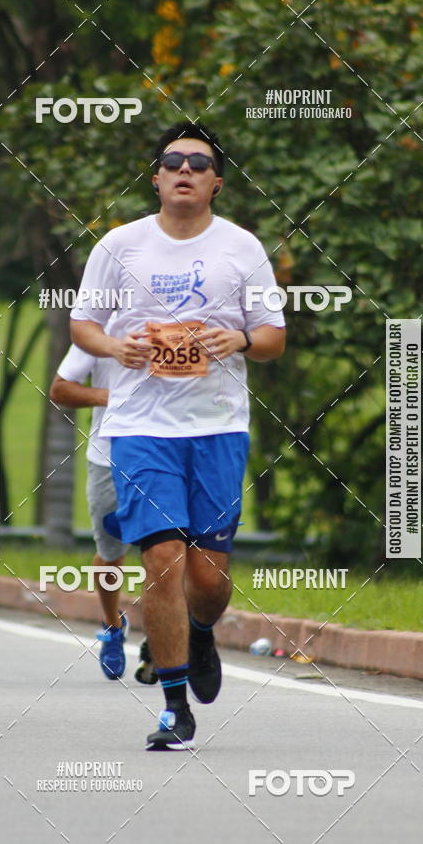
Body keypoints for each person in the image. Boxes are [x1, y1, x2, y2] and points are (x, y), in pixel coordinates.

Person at [70, 121, 285, 750]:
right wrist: (116, 346)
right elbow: (84, 326)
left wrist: (238, 338)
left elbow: (272, 337)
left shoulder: (242, 249)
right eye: (173, 161)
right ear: (157, 177)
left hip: (217, 427)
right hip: (139, 428)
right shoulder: (119, 246)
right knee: (161, 561)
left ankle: (200, 631)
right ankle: (173, 707)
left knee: (209, 580)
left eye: (199, 162)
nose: (185, 170)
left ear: (216, 182)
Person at [50, 344, 158, 685]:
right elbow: (60, 389)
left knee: (164, 550)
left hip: (163, 454)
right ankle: (112, 625)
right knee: (111, 553)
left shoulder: (177, 318)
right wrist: (109, 396)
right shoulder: (98, 330)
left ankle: (159, 638)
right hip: (108, 456)